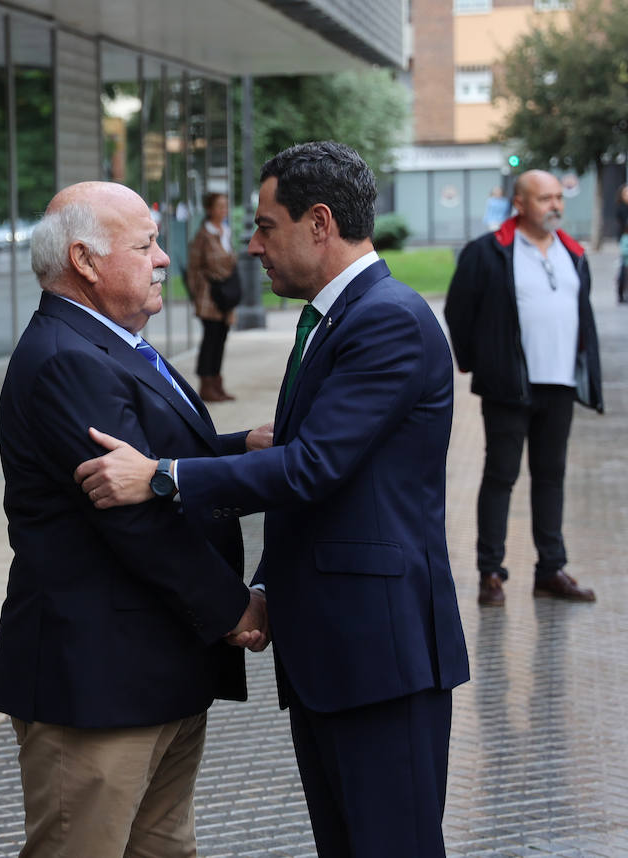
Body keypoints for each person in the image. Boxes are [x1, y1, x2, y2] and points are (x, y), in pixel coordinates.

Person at [75, 142, 470, 857]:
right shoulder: (330, 317)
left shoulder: (386, 318)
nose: (252, 246)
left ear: (320, 223)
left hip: (380, 656)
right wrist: (263, 584)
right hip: (333, 654)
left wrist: (162, 475)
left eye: (265, 226)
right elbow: (315, 484)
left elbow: (312, 468)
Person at [0, 180, 269, 858]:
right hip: (99, 687)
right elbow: (133, 520)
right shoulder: (67, 358)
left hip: (155, 671)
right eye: (145, 245)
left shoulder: (108, 340)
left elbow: (152, 466)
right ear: (85, 261)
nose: (164, 260)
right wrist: (235, 607)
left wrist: (242, 450)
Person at [445, 169, 603, 608]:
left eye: (558, 197)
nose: (555, 205)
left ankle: (550, 569)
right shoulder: (489, 251)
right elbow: (459, 310)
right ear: (520, 204)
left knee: (551, 477)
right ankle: (490, 572)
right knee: (501, 476)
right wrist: (478, 363)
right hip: (509, 386)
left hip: (560, 383)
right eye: (544, 198)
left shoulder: (572, 252)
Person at [187, 191, 238, 401]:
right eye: (219, 206)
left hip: (225, 296)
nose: (223, 210)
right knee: (210, 340)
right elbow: (193, 268)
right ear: (209, 210)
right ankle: (206, 385)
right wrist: (197, 295)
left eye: (225, 206)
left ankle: (217, 383)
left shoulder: (225, 231)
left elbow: (230, 264)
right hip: (209, 297)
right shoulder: (203, 235)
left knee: (221, 339)